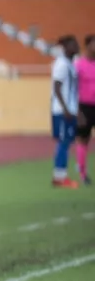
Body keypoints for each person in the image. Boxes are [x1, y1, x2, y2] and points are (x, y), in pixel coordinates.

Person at [51, 35, 81, 189]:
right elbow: (57, 87)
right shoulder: (62, 64)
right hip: (63, 111)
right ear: (67, 47)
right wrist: (65, 109)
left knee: (67, 142)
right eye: (74, 44)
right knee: (63, 142)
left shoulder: (71, 64)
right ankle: (59, 177)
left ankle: (61, 175)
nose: (77, 46)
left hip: (69, 110)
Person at [76, 34, 95, 186]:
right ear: (87, 46)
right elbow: (72, 89)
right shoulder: (79, 65)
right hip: (84, 106)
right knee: (84, 139)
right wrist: (77, 110)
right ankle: (83, 174)